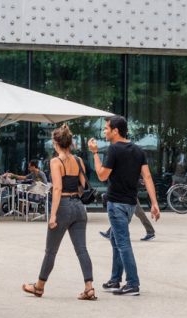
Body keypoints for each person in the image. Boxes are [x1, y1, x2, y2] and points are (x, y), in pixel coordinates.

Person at [89, 116, 161, 296]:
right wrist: (154, 203)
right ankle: (115, 279)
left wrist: (95, 154)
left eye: (106, 128)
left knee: (122, 243)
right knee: (115, 239)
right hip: (130, 205)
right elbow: (148, 177)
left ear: (115, 130)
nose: (104, 131)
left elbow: (102, 176)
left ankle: (132, 283)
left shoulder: (113, 149)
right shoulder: (138, 150)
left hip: (116, 204)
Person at [22, 124, 96, 300]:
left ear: (56, 143)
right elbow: (83, 186)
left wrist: (53, 214)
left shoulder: (56, 162)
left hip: (63, 205)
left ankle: (39, 287)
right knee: (82, 249)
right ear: (69, 143)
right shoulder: (78, 161)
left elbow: (57, 189)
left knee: (51, 251)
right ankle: (89, 287)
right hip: (79, 207)